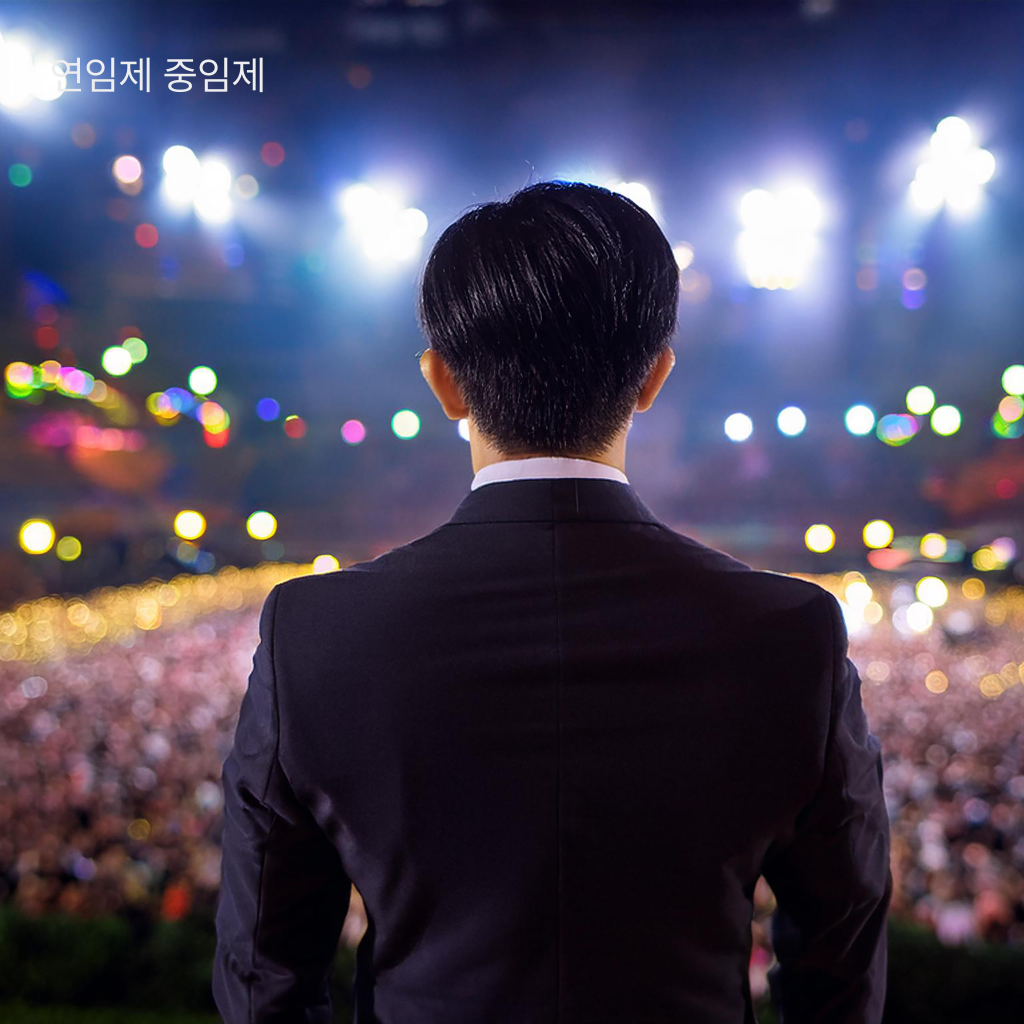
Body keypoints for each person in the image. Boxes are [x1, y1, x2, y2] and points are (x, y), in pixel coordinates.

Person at [213, 181, 892, 1023]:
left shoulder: (313, 634)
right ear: (653, 377)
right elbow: (840, 965)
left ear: (443, 383)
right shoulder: (791, 635)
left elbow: (264, 978)